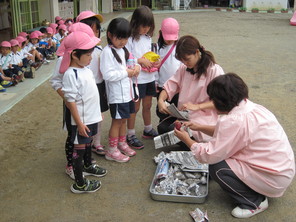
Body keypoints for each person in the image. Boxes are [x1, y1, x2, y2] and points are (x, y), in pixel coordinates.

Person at [174, 73, 295, 218]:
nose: (211, 102)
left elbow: (209, 155)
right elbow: (227, 132)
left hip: (272, 177)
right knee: (222, 158)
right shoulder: (251, 107)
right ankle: (254, 189)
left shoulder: (234, 120)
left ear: (220, 102)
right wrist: (198, 127)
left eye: (212, 99)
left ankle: (254, 202)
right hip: (281, 171)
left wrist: (187, 140)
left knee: (217, 166)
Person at [50, 22, 100, 179]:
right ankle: (72, 166)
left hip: (88, 110)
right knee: (74, 137)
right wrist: (69, 101)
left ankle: (87, 163)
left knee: (86, 138)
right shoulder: (66, 65)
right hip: (76, 108)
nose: (91, 56)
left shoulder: (84, 65)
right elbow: (56, 82)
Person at [60, 31, 107, 193]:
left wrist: (98, 113)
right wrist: (79, 123)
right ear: (74, 55)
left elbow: (91, 94)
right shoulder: (70, 74)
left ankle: (87, 169)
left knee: (87, 146)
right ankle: (79, 183)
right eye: (88, 54)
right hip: (81, 122)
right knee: (78, 152)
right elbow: (70, 101)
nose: (91, 58)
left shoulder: (85, 69)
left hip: (91, 119)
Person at [157, 35, 224, 142]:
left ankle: (196, 145)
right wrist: (161, 100)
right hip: (185, 115)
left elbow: (222, 101)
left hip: (205, 117)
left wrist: (197, 107)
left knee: (174, 132)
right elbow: (170, 85)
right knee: (162, 128)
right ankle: (190, 142)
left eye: (187, 59)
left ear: (197, 52)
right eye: (182, 61)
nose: (186, 63)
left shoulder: (214, 70)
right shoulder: (184, 68)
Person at [100, 18, 140, 162]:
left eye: (125, 38)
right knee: (117, 122)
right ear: (110, 35)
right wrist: (126, 73)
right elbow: (107, 75)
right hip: (117, 96)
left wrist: (136, 68)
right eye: (119, 38)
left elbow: (132, 63)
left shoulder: (123, 50)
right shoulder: (107, 52)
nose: (122, 41)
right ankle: (111, 150)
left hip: (127, 93)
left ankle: (122, 143)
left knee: (124, 120)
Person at [125, 5, 158, 150]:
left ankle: (148, 128)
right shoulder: (130, 39)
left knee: (148, 105)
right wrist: (139, 60)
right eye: (143, 26)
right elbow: (126, 58)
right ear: (135, 23)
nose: (145, 29)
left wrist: (155, 60)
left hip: (149, 77)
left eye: (148, 26)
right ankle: (130, 134)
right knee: (135, 107)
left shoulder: (147, 38)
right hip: (137, 79)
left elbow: (149, 54)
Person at [76, 10, 109, 156]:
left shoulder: (100, 49)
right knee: (86, 118)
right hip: (84, 89)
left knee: (99, 116)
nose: (95, 34)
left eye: (97, 30)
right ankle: (84, 146)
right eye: (91, 30)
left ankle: (97, 143)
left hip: (99, 86)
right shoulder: (77, 53)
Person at [155, 17, 181, 123]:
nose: (170, 40)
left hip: (177, 87)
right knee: (163, 110)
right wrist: (156, 82)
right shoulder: (157, 48)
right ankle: (163, 127)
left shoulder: (179, 48)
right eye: (167, 37)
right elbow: (154, 69)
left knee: (177, 110)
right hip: (162, 86)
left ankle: (175, 130)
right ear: (160, 33)